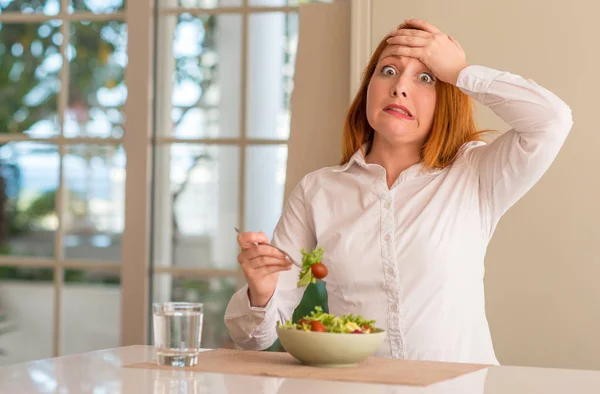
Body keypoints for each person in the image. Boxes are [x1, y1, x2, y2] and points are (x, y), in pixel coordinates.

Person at [224, 19, 573, 365]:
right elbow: (254, 337)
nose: (399, 88)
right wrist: (262, 290)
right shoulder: (318, 190)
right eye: (388, 71)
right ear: (368, 88)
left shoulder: (475, 173)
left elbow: (552, 120)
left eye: (425, 78)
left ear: (446, 98)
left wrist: (460, 71)